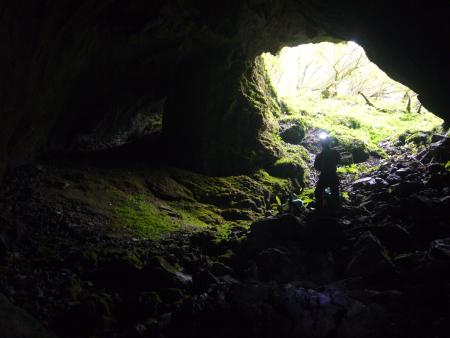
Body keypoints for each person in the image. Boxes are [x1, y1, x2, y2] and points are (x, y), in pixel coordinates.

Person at [314, 133, 340, 209]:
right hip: (331, 175)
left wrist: (323, 167)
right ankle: (335, 208)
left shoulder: (320, 155)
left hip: (325, 176)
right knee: (334, 193)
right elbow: (338, 160)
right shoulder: (334, 152)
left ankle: (320, 208)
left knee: (319, 193)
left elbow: (316, 166)